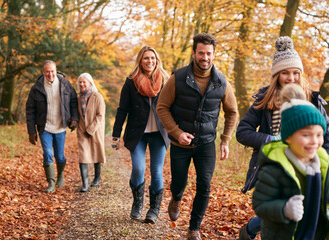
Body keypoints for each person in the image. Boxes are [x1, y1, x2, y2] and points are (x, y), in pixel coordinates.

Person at [236, 36, 329, 239]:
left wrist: (321, 160)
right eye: (285, 73)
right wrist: (271, 141)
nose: (291, 77)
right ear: (276, 75)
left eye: (296, 73)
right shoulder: (264, 99)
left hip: (306, 164)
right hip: (273, 165)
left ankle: (251, 229)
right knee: (278, 207)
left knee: (300, 209)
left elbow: (327, 136)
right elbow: (242, 132)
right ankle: (251, 229)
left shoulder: (313, 101)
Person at [156, 33, 238, 240]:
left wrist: (225, 140)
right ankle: (176, 198)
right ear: (194, 53)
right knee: (178, 183)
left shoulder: (221, 83)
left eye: (209, 53)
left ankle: (194, 228)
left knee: (205, 185)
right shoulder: (178, 78)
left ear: (213, 55)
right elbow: (162, 107)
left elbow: (232, 112)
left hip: (206, 143)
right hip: (180, 144)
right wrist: (176, 132)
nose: (205, 57)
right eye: (201, 53)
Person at [252, 83, 329, 239]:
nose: (314, 141)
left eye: (319, 134)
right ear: (288, 137)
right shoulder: (275, 168)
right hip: (284, 234)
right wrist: (284, 209)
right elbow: (260, 205)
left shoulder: (323, 164)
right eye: (306, 135)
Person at [112, 46, 170, 224]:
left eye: (152, 58)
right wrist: (116, 134)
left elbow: (174, 107)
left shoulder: (166, 81)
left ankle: (153, 210)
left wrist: (178, 130)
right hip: (138, 133)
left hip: (159, 134)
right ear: (140, 60)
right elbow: (123, 109)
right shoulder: (131, 82)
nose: (149, 61)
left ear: (157, 60)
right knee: (138, 168)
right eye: (146, 58)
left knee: (156, 171)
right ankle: (137, 203)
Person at [26, 60, 79, 193]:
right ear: (43, 72)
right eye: (47, 72)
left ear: (56, 71)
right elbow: (30, 109)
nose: (50, 74)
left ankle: (60, 175)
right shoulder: (36, 88)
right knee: (48, 153)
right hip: (45, 127)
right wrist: (31, 131)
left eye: (52, 71)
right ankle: (51, 182)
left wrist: (74, 119)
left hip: (60, 126)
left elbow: (73, 101)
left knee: (60, 156)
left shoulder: (65, 84)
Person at [76, 73, 106, 192]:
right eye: (80, 82)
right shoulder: (78, 98)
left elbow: (100, 115)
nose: (82, 84)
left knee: (96, 153)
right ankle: (85, 184)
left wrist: (91, 129)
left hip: (95, 129)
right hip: (82, 129)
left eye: (84, 82)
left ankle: (97, 178)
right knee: (83, 155)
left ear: (90, 83)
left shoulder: (97, 96)